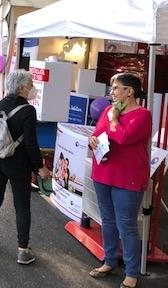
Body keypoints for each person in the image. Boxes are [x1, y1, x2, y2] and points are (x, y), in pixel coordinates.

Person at [0, 69, 50, 265]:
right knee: (22, 205)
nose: (33, 88)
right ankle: (23, 250)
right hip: (18, 164)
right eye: (31, 85)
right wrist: (40, 167)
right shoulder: (28, 111)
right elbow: (31, 144)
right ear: (21, 88)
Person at [87, 73, 151, 288]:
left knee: (127, 225)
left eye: (115, 87)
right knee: (107, 220)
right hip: (104, 171)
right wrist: (92, 140)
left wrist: (114, 117)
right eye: (112, 88)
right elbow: (98, 133)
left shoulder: (143, 115)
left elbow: (123, 137)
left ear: (129, 91)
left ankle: (132, 273)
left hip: (128, 177)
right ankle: (110, 261)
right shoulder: (108, 109)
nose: (111, 91)